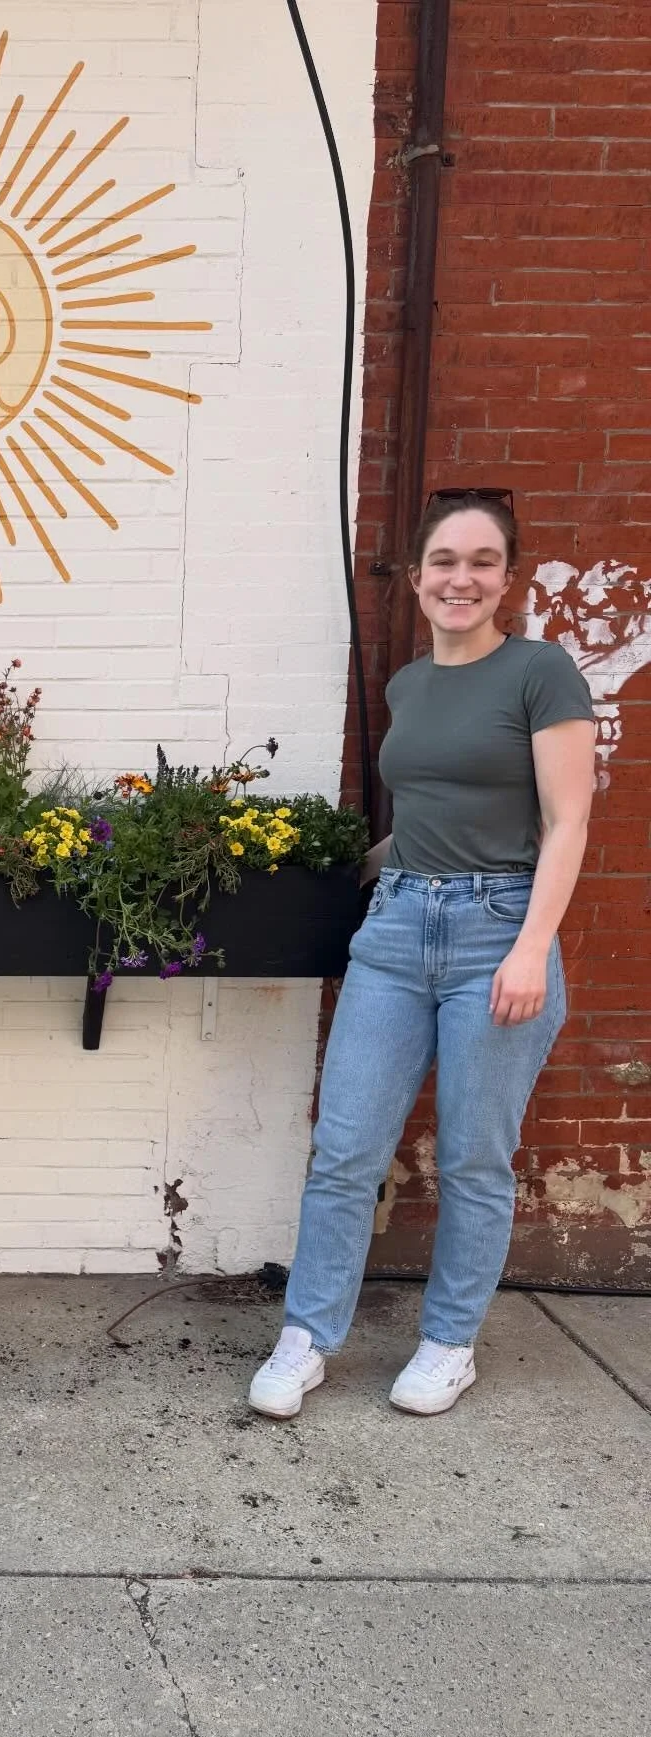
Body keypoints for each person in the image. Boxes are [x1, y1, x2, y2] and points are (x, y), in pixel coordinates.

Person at [249, 490, 595, 1419]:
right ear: (415, 577)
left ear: (508, 579)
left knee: (475, 1158)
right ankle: (308, 1336)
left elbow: (567, 824)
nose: (462, 578)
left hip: (499, 932)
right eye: (444, 560)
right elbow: (422, 823)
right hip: (398, 930)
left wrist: (531, 950)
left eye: (483, 562)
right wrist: (314, 872)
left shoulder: (541, 672)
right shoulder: (408, 683)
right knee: (345, 1148)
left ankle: (449, 1343)